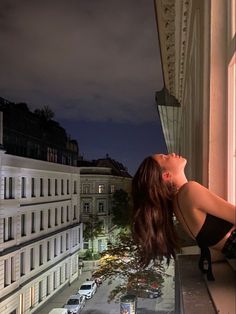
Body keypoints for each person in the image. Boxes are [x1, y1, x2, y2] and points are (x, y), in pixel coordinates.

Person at [132, 153, 236, 280]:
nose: (171, 154)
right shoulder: (190, 191)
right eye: (164, 157)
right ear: (166, 175)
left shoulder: (177, 204)